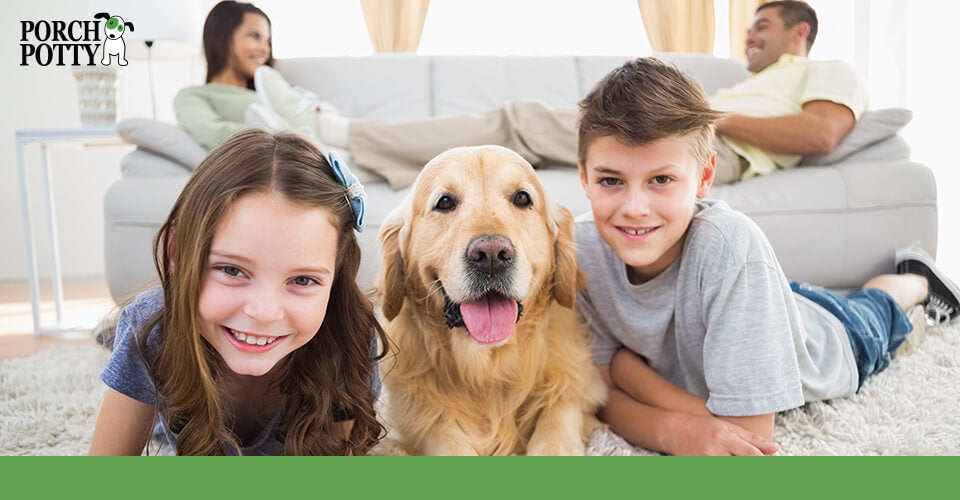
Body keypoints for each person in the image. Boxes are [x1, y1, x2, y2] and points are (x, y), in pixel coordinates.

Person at [572, 57, 959, 456]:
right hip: (755, 305)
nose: (635, 207)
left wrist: (627, 374)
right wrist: (676, 427)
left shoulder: (729, 246)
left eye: (662, 179)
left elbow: (749, 437)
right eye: (611, 180)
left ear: (705, 176)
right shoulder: (579, 248)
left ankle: (917, 279)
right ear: (584, 177)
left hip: (832, 335)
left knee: (877, 305)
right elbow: (598, 390)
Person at [251, 1, 863, 188]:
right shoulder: (748, 81)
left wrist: (710, 117)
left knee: (518, 121)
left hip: (706, 146)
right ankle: (357, 146)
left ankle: (343, 136)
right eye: (749, 26)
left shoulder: (827, 68)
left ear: (799, 32)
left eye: (763, 26)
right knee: (527, 124)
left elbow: (821, 133)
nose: (750, 36)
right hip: (682, 130)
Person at [88, 129, 387, 455]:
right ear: (177, 252)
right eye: (232, 270)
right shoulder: (150, 329)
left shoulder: (347, 334)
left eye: (302, 280)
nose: (264, 312)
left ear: (337, 277)